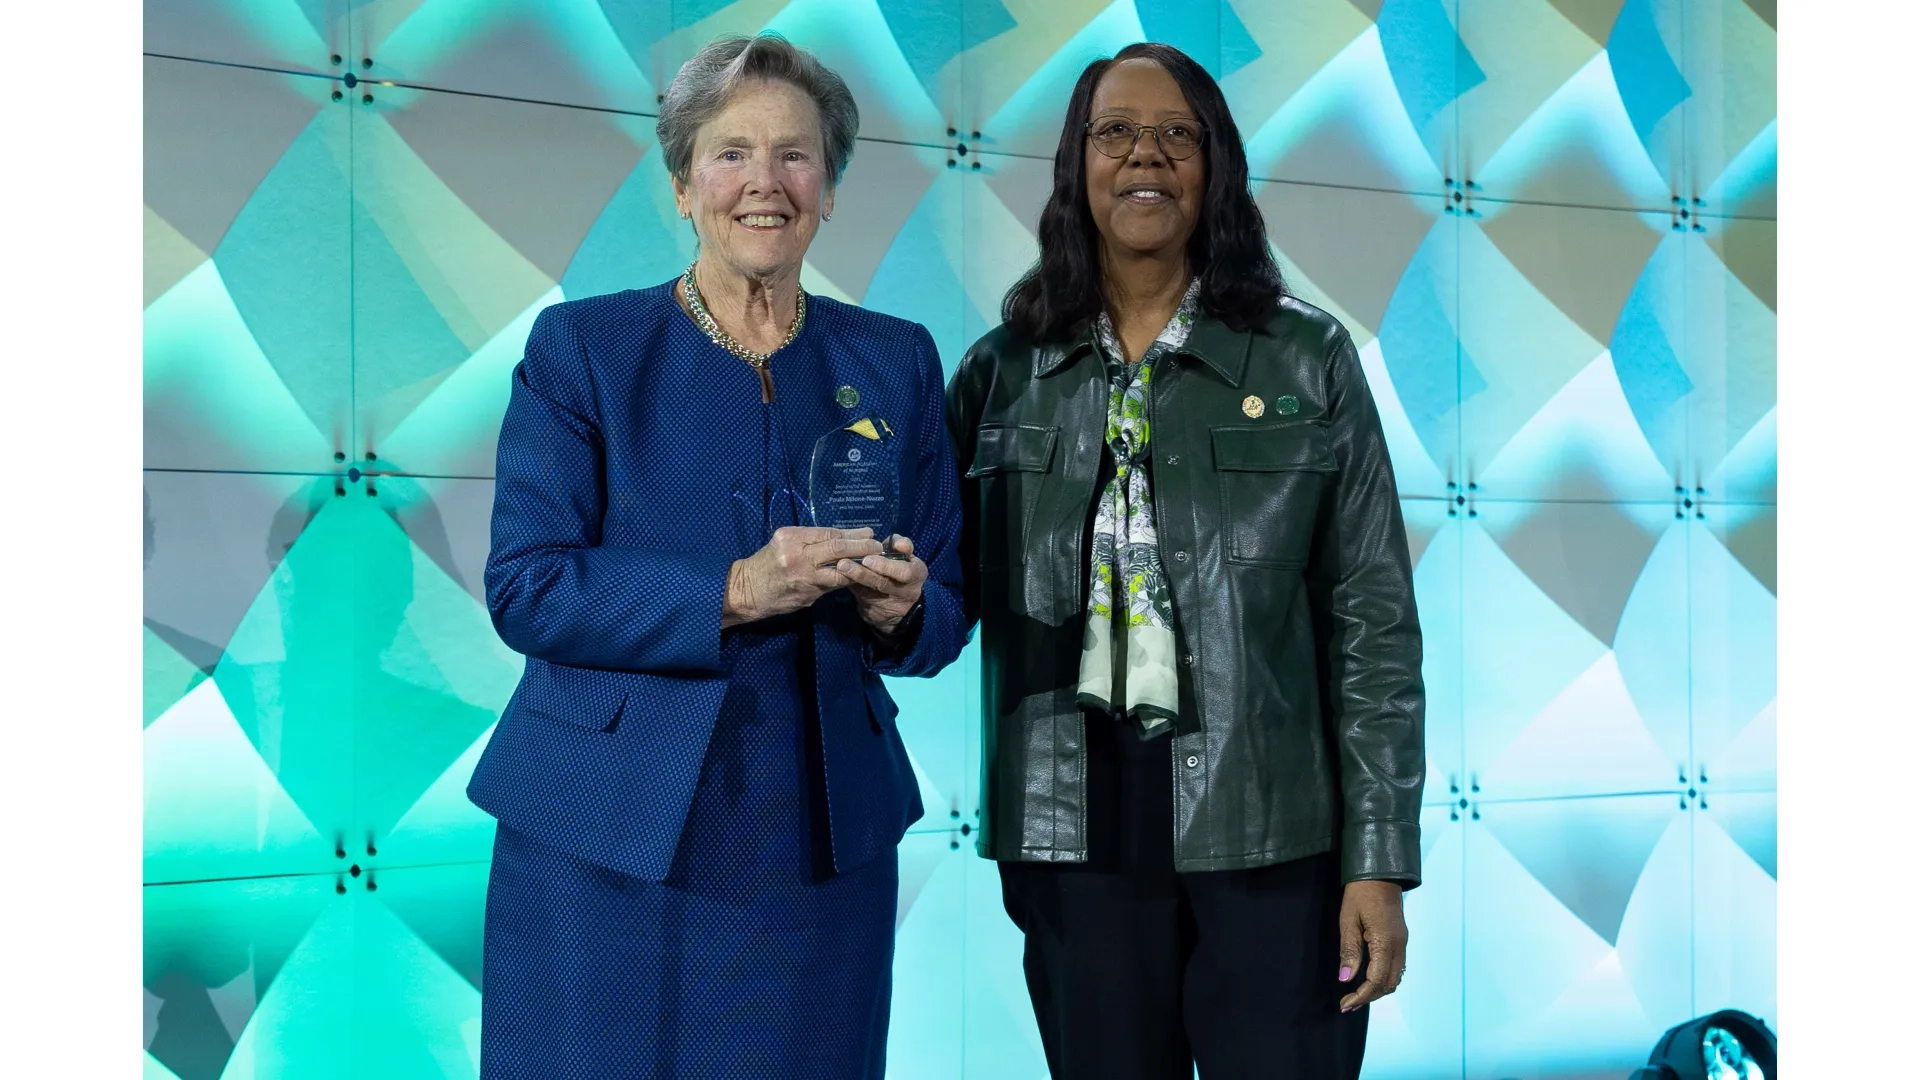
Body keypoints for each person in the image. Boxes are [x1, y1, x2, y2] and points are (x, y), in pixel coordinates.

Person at [465, 34, 965, 1080]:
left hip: (819, 837)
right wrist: (737, 588)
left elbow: (946, 608)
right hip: (604, 831)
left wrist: (902, 612)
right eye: (731, 154)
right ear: (683, 187)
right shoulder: (584, 350)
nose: (764, 185)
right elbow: (528, 586)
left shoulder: (897, 358)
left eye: (795, 156)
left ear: (828, 189)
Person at [946, 42, 1426, 1080]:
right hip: (1071, 833)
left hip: (1276, 834)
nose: (1144, 156)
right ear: (1078, 163)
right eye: (1114, 132)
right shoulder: (1001, 370)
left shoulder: (1310, 359)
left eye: (1177, 134)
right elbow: (938, 596)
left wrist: (1379, 858)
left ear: (1216, 167)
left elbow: (1372, 621)